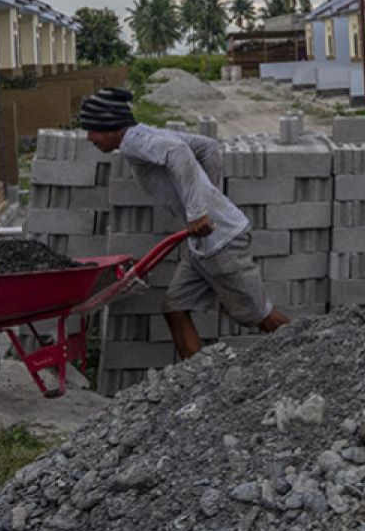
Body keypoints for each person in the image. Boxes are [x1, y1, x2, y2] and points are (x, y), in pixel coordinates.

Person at [79, 87, 288, 358]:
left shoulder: (135, 140)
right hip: (201, 246)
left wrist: (199, 211)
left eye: (92, 130)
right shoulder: (144, 135)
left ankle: (318, 357)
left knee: (264, 318)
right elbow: (208, 148)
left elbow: (179, 152)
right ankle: (198, 380)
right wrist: (208, 199)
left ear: (109, 125)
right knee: (175, 308)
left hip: (222, 245)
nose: (89, 137)